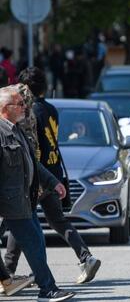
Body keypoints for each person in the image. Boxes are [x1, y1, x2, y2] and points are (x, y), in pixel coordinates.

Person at [4, 68, 101, 285]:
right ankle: (86, 257)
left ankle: (9, 271)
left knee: (20, 220)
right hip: (53, 171)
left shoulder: (29, 112)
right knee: (56, 220)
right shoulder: (51, 109)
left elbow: (30, 147)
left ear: (25, 88)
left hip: (38, 174)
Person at [0, 85, 75, 302]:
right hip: (11, 203)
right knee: (33, 243)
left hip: (25, 200)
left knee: (36, 242)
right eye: (20, 104)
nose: (25, 107)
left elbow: (33, 162)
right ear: (6, 107)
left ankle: (46, 288)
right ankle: (47, 290)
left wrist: (54, 182)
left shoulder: (16, 129)